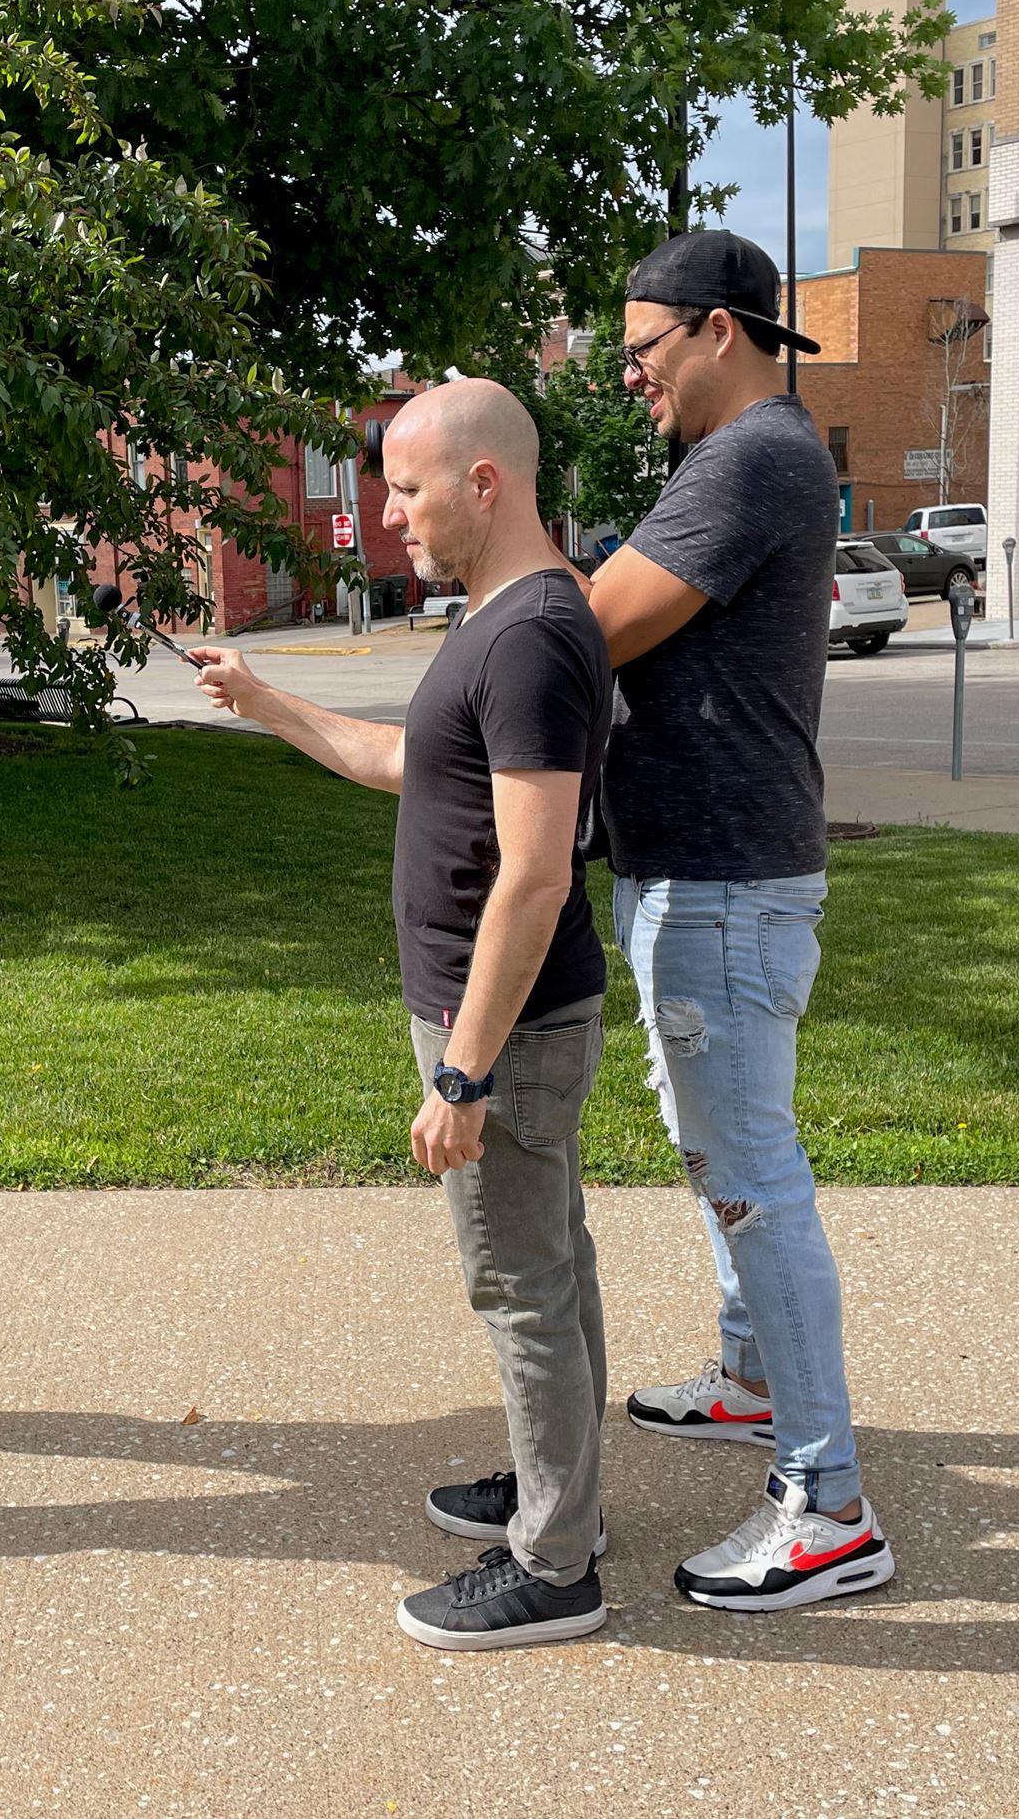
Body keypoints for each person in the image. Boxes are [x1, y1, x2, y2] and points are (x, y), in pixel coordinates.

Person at [190, 379, 615, 1651]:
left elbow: (537, 869)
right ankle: (563, 1499)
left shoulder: (534, 631)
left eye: (408, 486)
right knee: (553, 1262)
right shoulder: (496, 615)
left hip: (507, 1028)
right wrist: (267, 702)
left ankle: (553, 1566)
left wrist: (465, 1075)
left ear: (484, 484)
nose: (386, 511)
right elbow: (405, 762)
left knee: (519, 1283)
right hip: (502, 1021)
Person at [586, 231, 898, 1611]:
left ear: (719, 329)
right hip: (699, 868)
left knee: (752, 1177)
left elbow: (597, 621)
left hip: (722, 881)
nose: (632, 376)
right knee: (719, 1147)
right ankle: (753, 1377)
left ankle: (828, 1504)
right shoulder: (734, 458)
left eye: (643, 349)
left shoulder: (755, 456)